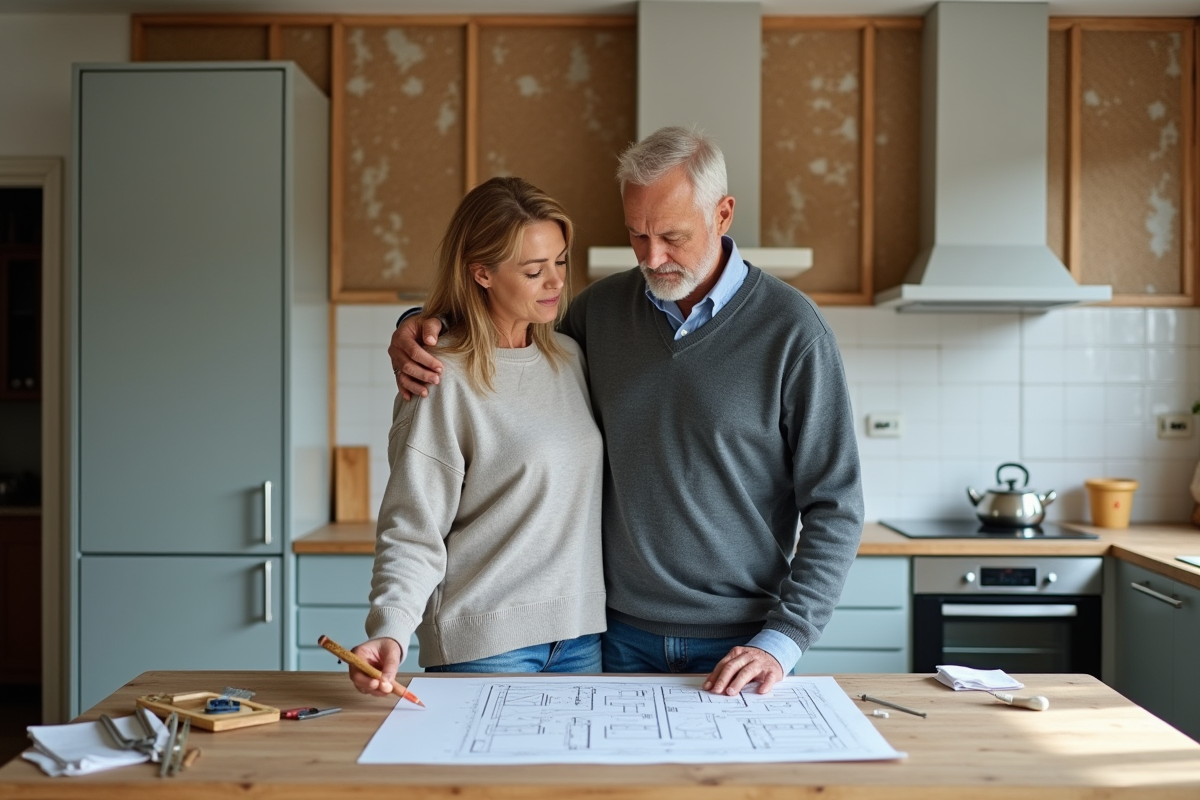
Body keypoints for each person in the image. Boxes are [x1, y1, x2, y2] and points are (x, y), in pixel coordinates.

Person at [389, 127, 864, 697]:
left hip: (742, 646)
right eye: (637, 235)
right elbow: (508, 340)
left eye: (672, 236)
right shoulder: (599, 314)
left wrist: (784, 639)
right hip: (611, 637)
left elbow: (836, 505)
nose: (652, 257)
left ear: (722, 214)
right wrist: (423, 325)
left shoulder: (793, 332)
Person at [349, 176, 606, 698]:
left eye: (560, 261)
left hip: (581, 640)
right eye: (533, 270)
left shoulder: (571, 358)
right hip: (487, 647)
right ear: (481, 272)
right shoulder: (439, 375)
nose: (555, 281)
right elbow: (413, 525)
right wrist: (391, 629)